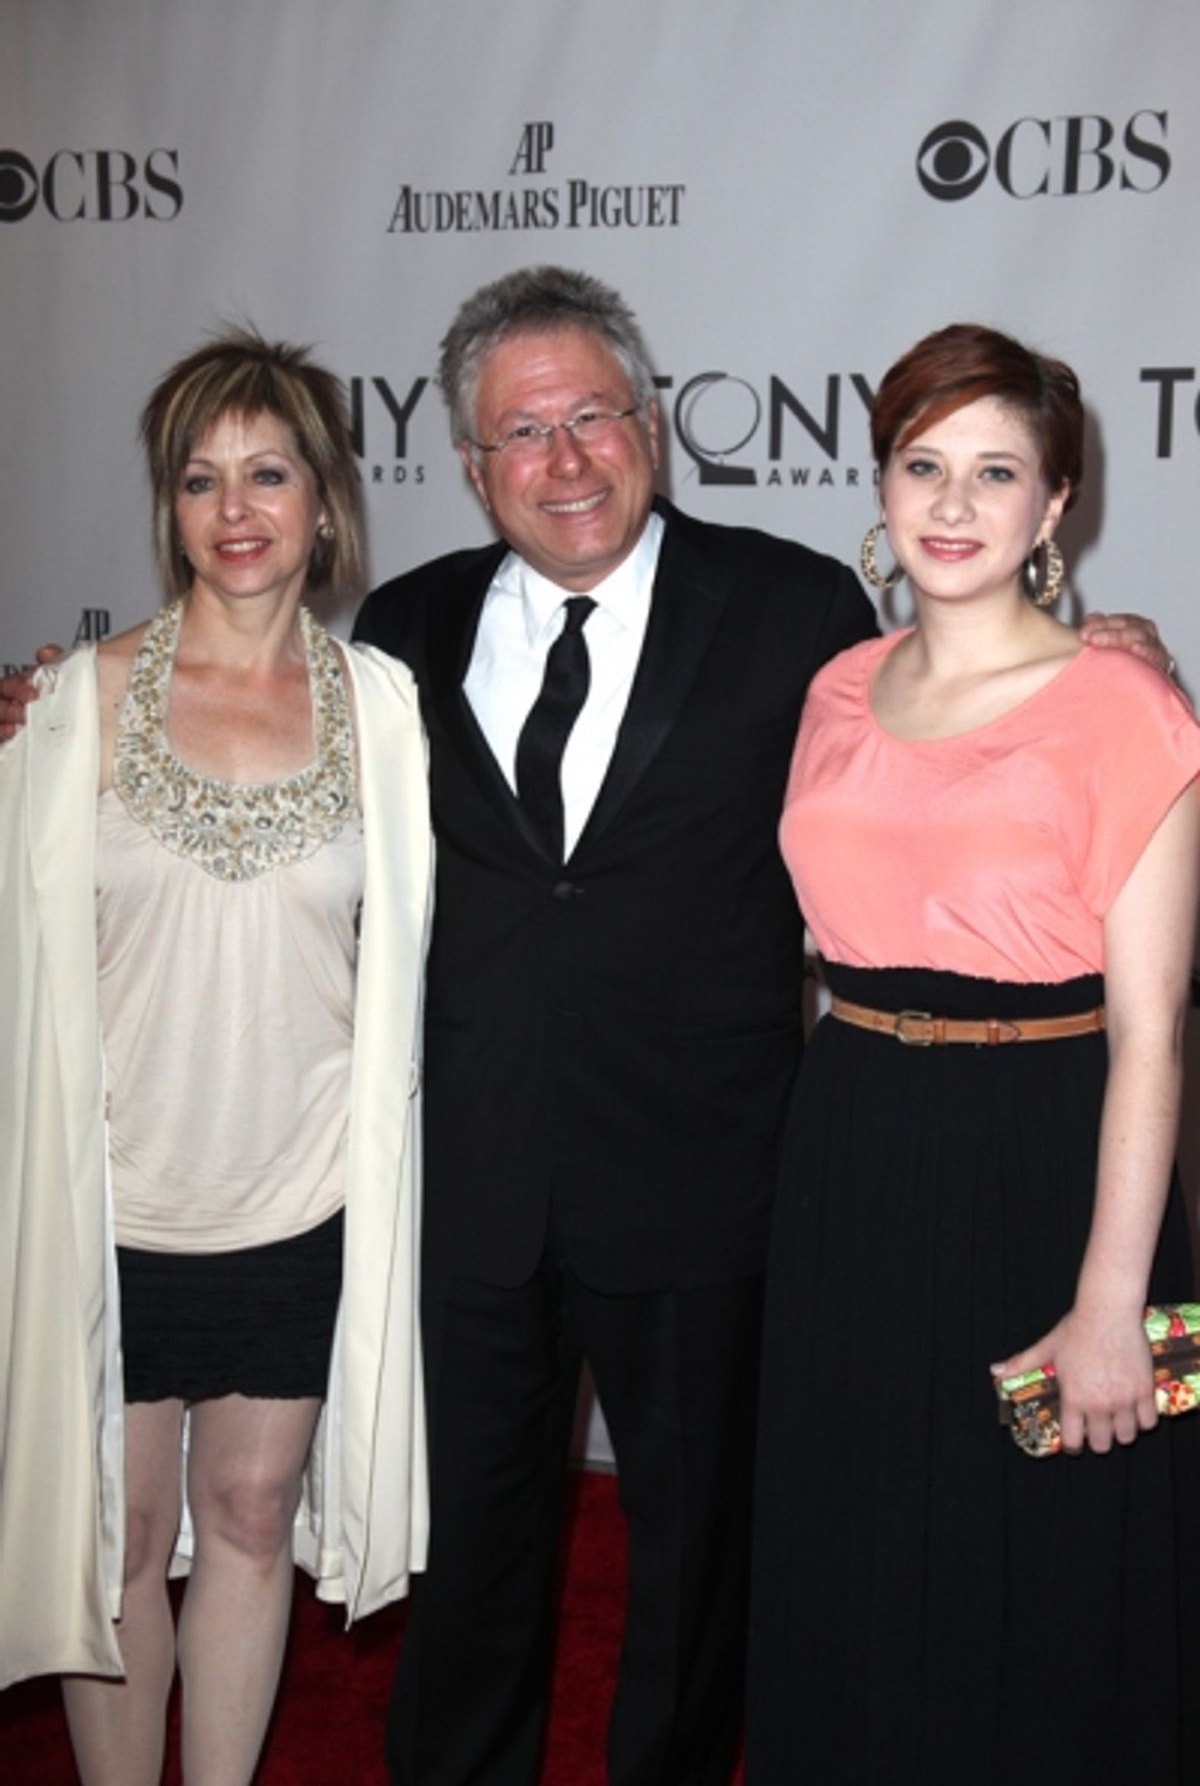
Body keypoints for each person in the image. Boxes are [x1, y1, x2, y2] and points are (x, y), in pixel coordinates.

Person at [0, 273, 1171, 1786]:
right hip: (471, 1189)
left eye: (595, 418)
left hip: (723, 1189)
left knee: (706, 1576)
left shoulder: (800, 614)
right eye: (521, 432)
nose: (565, 459)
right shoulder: (400, 639)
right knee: (467, 1574)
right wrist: (53, 703)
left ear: (654, 427)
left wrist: (1113, 659)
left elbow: (982, 730)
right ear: (469, 464)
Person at [746, 324, 1200, 1785]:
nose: (952, 504)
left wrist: (1116, 1303)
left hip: (1049, 1157)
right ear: (881, 482)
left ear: (1056, 502)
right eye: (922, 464)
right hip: (850, 1145)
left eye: (997, 472)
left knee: (1050, 1561)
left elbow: (1153, 1034)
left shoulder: (1130, 708)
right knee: (859, 1535)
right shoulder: (834, 688)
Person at [0, 329, 432, 1786]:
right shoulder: (73, 702)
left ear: (326, 501)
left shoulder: (385, 713)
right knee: (117, 1538)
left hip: (300, 1201)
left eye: (269, 474)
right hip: (113, 1205)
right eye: (200, 480)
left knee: (252, 1520)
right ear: (168, 508)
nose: (236, 509)